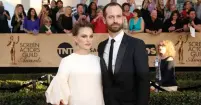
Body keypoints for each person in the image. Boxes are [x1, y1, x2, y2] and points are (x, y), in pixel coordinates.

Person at [98, 2, 149, 105]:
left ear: (123, 18)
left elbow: (143, 80)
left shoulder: (136, 44)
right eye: (111, 17)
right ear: (104, 20)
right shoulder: (101, 46)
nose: (115, 20)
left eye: (118, 16)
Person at [45, 20, 104, 105]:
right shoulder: (67, 61)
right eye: (84, 36)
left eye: (91, 36)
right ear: (75, 38)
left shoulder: (98, 60)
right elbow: (60, 90)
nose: (88, 40)